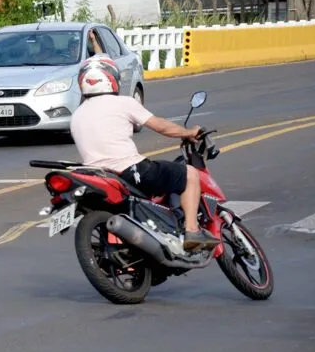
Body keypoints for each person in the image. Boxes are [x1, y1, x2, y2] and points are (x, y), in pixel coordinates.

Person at [69, 55, 217, 250]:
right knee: (189, 174)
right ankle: (192, 231)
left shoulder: (77, 114)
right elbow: (162, 127)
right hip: (130, 170)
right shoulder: (123, 102)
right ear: (111, 78)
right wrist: (189, 132)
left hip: (100, 175)